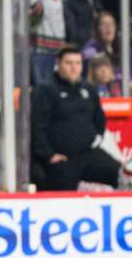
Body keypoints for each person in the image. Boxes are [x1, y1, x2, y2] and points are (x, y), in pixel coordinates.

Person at [30, 47, 121, 191]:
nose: (74, 68)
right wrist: (49, 155)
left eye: (78, 63)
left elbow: (99, 118)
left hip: (88, 154)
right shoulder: (45, 90)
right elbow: (37, 126)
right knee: (60, 197)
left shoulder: (88, 89)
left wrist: (97, 138)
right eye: (69, 63)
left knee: (122, 175)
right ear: (58, 63)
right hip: (61, 159)